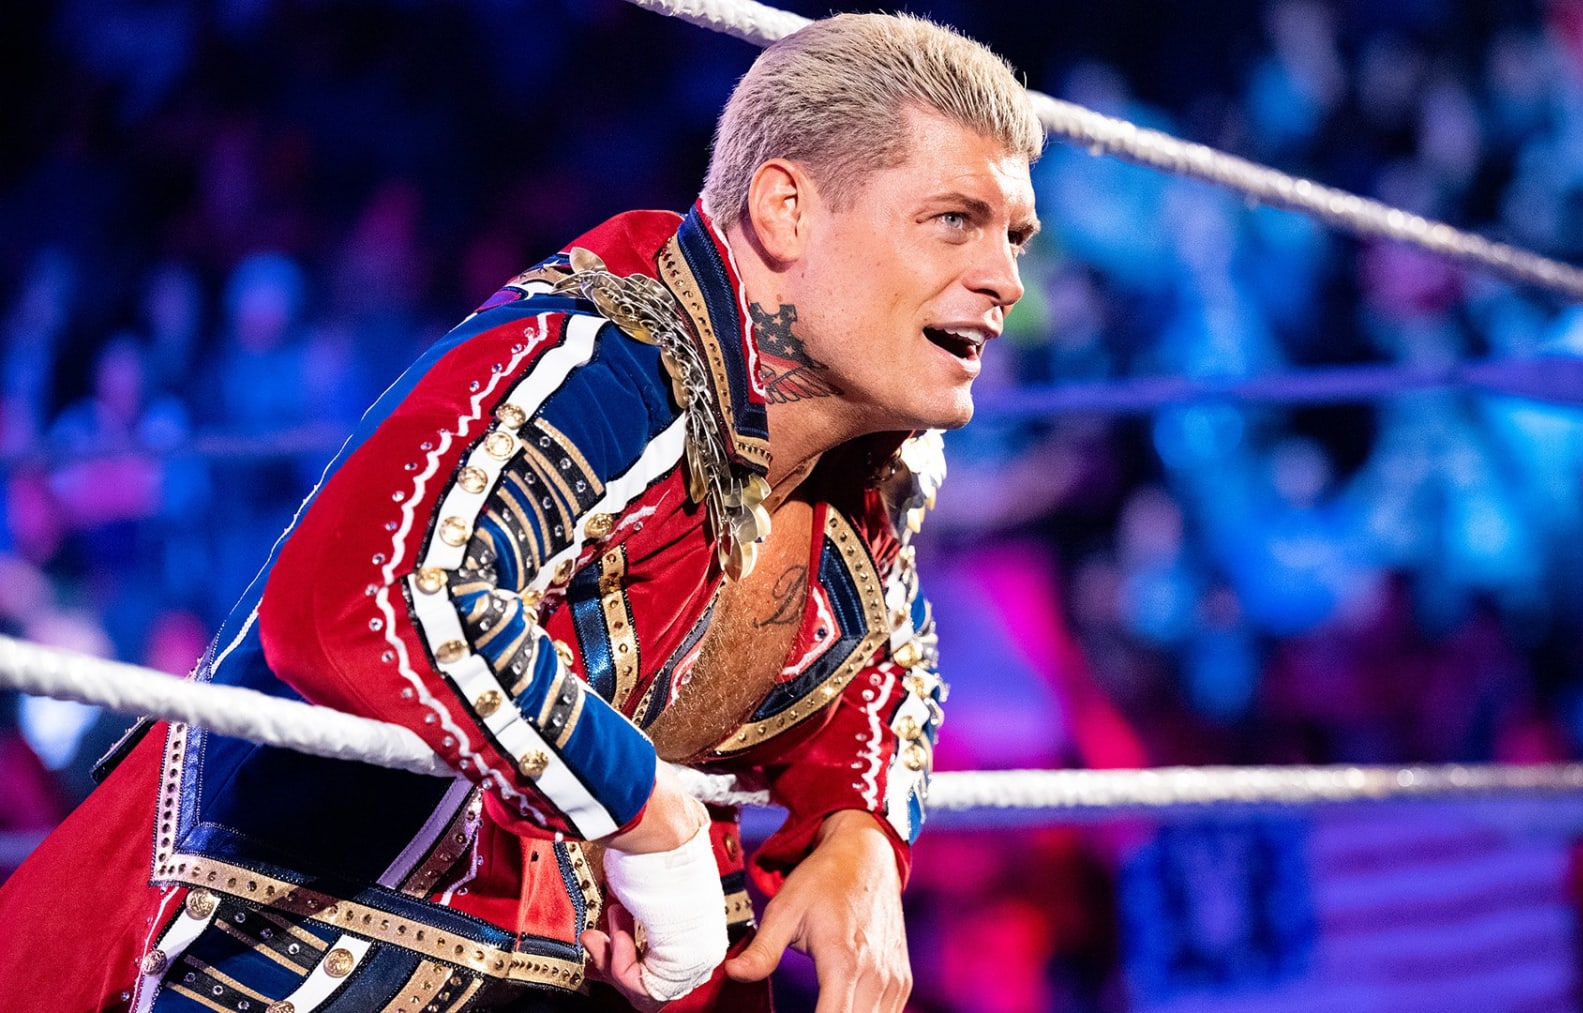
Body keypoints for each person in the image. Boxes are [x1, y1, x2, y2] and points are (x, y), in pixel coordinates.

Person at [0, 13, 1042, 1012]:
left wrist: (861, 834)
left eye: (1016, 237)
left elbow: (888, 664)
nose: (1005, 280)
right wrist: (645, 806)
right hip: (240, 948)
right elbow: (369, 601)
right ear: (785, 209)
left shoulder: (864, 467)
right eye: (954, 220)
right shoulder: (604, 364)